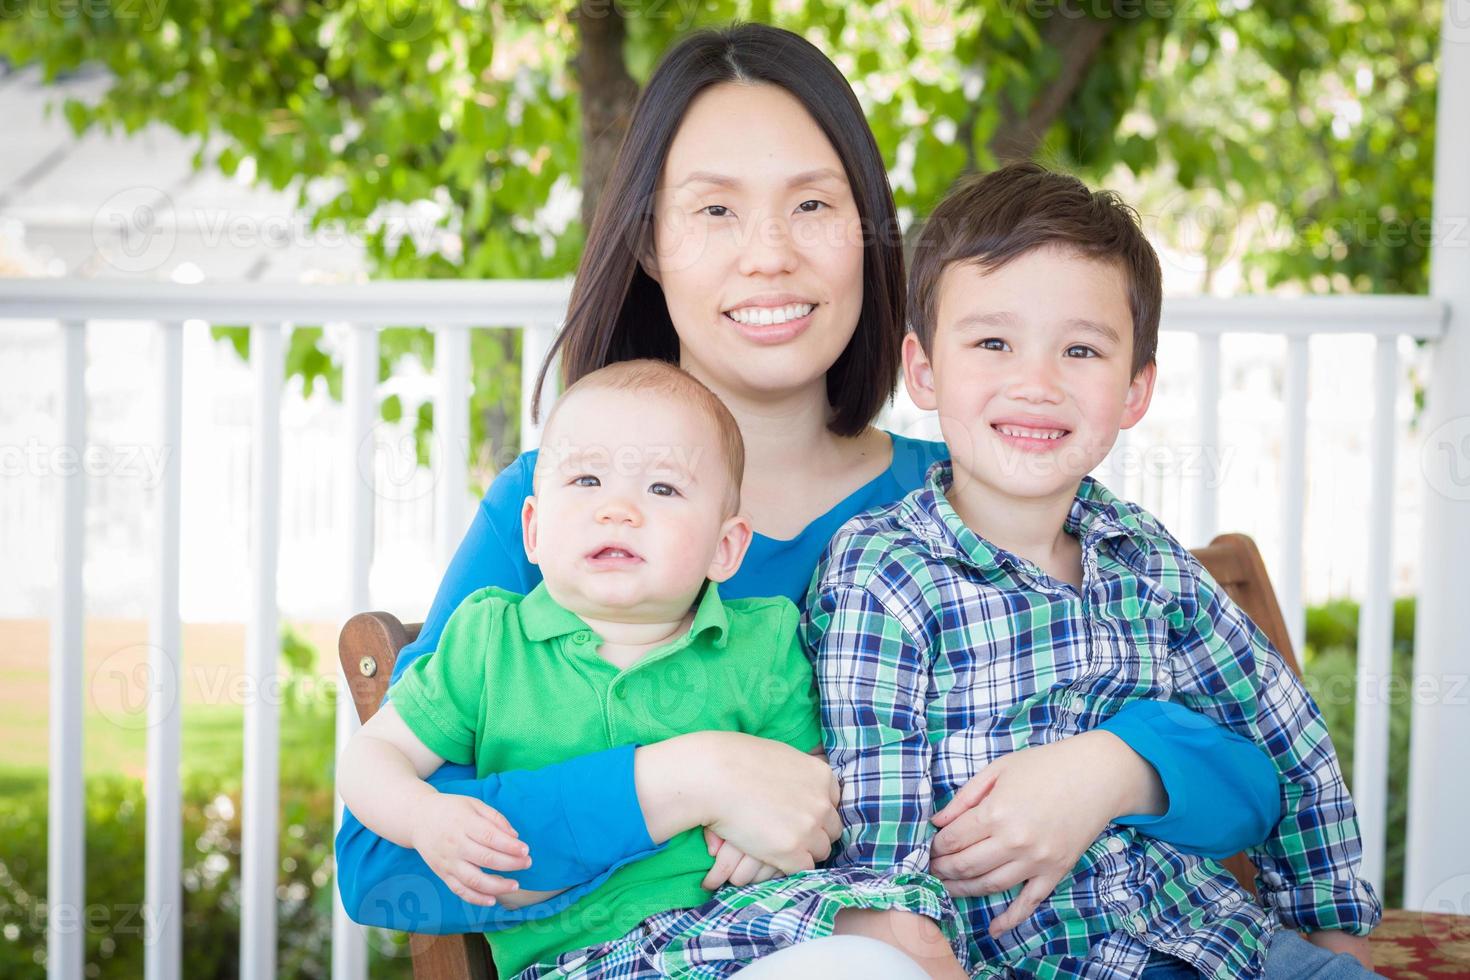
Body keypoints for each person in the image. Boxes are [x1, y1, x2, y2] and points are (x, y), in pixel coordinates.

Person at [336, 23, 1281, 973]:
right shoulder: (566, 517)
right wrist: (683, 778)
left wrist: (1115, 769)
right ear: (651, 244)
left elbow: (1255, 767)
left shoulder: (972, 491)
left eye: (815, 205)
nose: (771, 256)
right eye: (714, 212)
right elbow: (384, 868)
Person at [804, 161, 1382, 979]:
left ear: (1135, 390)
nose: (1036, 384)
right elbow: (879, 828)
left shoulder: (1148, 560)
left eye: (1080, 349)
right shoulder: (886, 574)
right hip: (1025, 959)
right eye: (993, 342)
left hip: (1218, 944)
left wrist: (1332, 933)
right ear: (924, 370)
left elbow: (1282, 731)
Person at [339, 360, 970, 978]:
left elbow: (807, 786)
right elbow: (373, 757)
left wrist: (770, 840)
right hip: (586, 959)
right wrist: (423, 815)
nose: (618, 510)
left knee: (902, 935)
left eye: (661, 489)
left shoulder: (760, 641)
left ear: (726, 548)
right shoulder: (489, 641)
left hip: (747, 926)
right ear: (532, 530)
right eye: (586, 481)